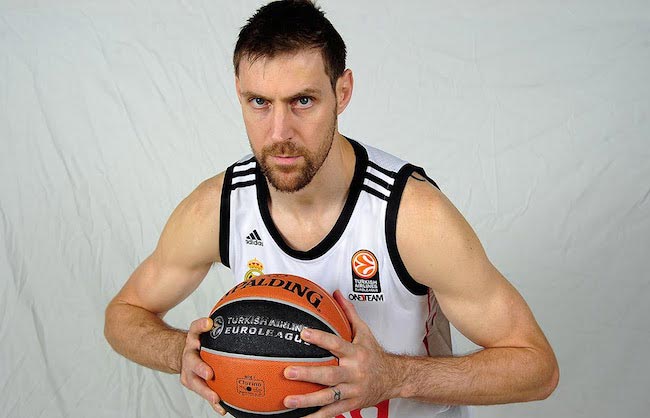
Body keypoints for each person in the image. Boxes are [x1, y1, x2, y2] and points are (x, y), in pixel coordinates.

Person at [104, 1, 559, 417]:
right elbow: (124, 314)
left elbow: (537, 366)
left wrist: (396, 376)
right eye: (259, 102)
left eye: (303, 100)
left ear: (342, 92)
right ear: (238, 94)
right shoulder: (219, 207)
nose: (279, 131)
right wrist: (182, 353)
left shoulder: (410, 215)